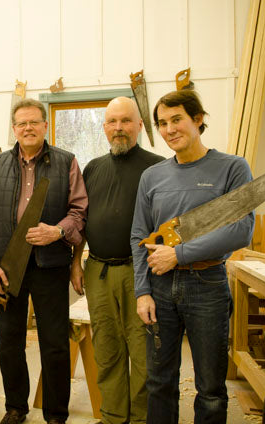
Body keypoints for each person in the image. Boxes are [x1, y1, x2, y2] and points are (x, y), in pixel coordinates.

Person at [130, 90, 254, 423]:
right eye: (162, 123)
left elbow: (241, 231)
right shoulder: (152, 176)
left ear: (198, 119)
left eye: (177, 120)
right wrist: (142, 292)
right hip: (159, 287)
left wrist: (179, 254)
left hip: (208, 286)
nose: (169, 129)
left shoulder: (232, 168)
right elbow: (139, 236)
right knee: (159, 383)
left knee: (211, 389)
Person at [0, 98, 88, 424]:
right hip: (7, 267)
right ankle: (16, 408)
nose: (27, 128)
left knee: (54, 343)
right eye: (21, 123)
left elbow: (80, 212)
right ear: (14, 128)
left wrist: (57, 231)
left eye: (34, 122)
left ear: (45, 125)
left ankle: (56, 414)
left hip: (49, 266)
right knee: (9, 342)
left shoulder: (66, 162)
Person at [71, 97, 164, 424]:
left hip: (140, 274)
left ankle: (140, 419)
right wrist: (75, 263)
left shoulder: (158, 167)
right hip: (98, 270)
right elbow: (81, 218)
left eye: (126, 121)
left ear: (139, 125)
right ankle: (112, 416)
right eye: (112, 122)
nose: (119, 128)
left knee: (142, 354)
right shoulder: (93, 168)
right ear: (105, 127)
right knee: (107, 351)